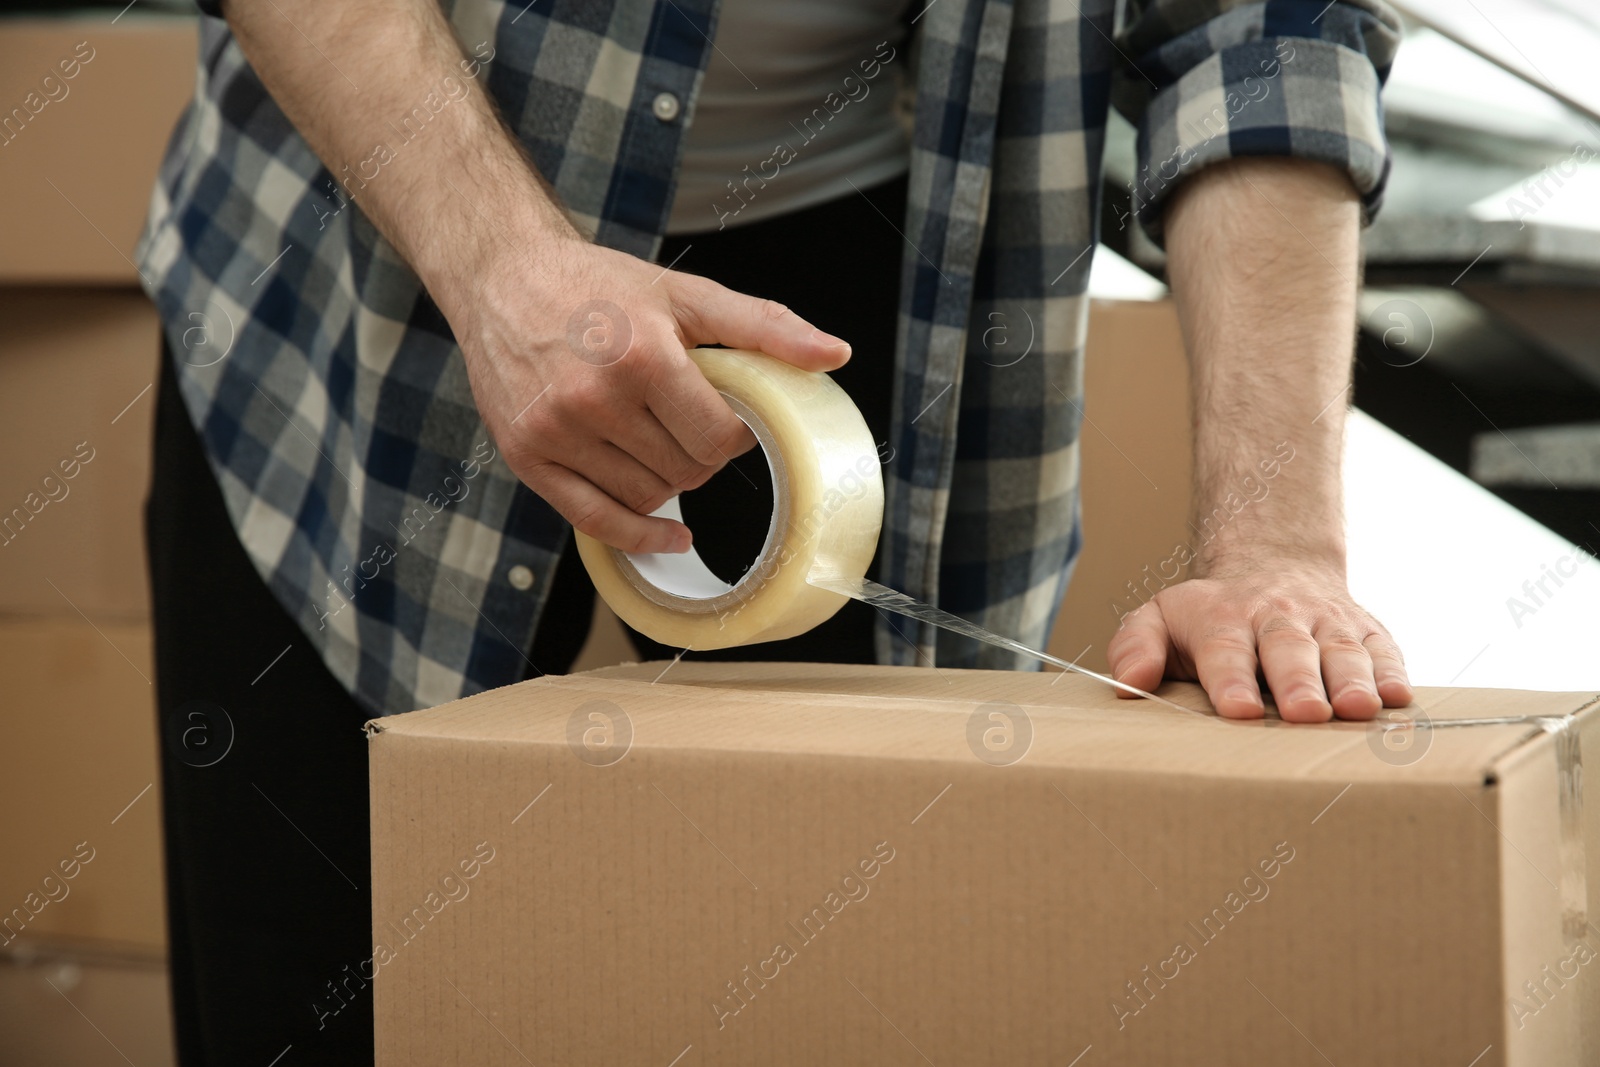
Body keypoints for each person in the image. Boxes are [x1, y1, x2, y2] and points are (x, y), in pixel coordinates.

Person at [137, 0, 1412, 1061]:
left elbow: (1265, 33)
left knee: (826, 978)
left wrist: (1273, 545)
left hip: (865, 277)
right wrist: (501, 270)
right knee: (309, 977)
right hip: (364, 270)